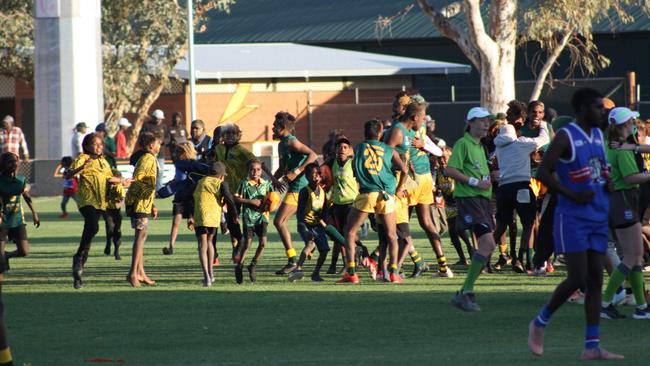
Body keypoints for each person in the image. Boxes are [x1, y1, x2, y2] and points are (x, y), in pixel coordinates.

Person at [527, 88, 624, 360]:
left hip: (597, 215)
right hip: (571, 216)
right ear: (582, 108)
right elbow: (544, 171)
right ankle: (539, 322)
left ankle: (591, 345)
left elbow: (596, 169)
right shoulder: (565, 135)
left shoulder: (597, 134)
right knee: (577, 278)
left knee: (595, 280)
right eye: (598, 107)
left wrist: (607, 182)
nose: (602, 112)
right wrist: (571, 193)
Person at [337, 119, 407, 283]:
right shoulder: (389, 149)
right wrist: (399, 189)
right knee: (392, 236)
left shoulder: (359, 147)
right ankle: (394, 273)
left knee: (350, 232)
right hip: (386, 195)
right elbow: (404, 169)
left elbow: (350, 163)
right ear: (381, 132)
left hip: (368, 194)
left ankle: (352, 273)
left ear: (365, 132)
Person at [600, 107, 650, 320]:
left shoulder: (612, 144)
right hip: (623, 202)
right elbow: (631, 178)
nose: (634, 124)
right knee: (632, 256)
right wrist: (648, 174)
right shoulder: (621, 149)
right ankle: (606, 302)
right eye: (631, 121)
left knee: (635, 257)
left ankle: (641, 306)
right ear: (623, 125)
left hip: (617, 203)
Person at [446, 107, 496, 312]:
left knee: (489, 246)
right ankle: (465, 292)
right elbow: (449, 169)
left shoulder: (480, 146)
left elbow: (477, 172)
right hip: (470, 200)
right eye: (482, 121)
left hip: (482, 201)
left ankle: (465, 291)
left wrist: (491, 178)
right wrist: (476, 182)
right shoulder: (463, 143)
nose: (486, 124)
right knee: (487, 244)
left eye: (488, 121)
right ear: (470, 123)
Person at [493, 100, 549, 273]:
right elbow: (544, 139)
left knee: (502, 225)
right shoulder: (523, 142)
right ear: (520, 120)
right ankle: (524, 259)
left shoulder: (498, 144)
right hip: (522, 187)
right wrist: (544, 125)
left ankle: (484, 260)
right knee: (529, 224)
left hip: (503, 188)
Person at [66, 133, 129, 289]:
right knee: (93, 226)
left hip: (100, 202)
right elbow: (67, 174)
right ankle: (79, 257)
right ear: (87, 146)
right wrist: (81, 167)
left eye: (101, 144)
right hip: (86, 200)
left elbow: (109, 178)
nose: (99, 147)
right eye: (95, 144)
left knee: (90, 233)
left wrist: (123, 181)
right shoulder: (82, 158)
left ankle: (79, 267)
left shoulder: (104, 162)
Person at [406, 96, 451, 277]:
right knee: (426, 223)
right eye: (423, 114)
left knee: (400, 225)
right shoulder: (416, 128)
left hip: (412, 181)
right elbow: (438, 151)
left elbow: (439, 151)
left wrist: (422, 144)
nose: (425, 118)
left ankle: (398, 265)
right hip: (424, 179)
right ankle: (443, 266)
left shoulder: (407, 130)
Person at [271, 112, 318, 275]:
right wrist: (271, 182)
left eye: (275, 126)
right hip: (294, 187)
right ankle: (313, 243)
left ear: (283, 128)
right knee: (305, 223)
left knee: (279, 221)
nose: (272, 128)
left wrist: (297, 171)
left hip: (300, 187)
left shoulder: (291, 141)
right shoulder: (280, 144)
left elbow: (312, 155)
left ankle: (292, 260)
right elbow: (282, 168)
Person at [125, 132, 161, 288]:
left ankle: (140, 272)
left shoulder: (146, 158)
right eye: (158, 143)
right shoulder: (148, 158)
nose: (160, 146)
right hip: (139, 202)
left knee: (142, 236)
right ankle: (133, 273)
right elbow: (140, 177)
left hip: (143, 202)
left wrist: (152, 204)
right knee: (140, 237)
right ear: (152, 145)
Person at [160, 142, 209, 255]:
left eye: (178, 151)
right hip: (189, 196)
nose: (176, 154)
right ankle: (199, 247)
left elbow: (180, 179)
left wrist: (167, 189)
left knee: (177, 222)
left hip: (185, 196)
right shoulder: (197, 165)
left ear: (185, 152)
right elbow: (179, 178)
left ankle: (172, 247)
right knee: (194, 224)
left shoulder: (182, 164)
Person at [188, 162, 229, 287]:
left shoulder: (200, 183)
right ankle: (211, 273)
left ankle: (206, 277)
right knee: (210, 243)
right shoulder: (220, 184)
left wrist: (190, 216)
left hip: (201, 216)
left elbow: (190, 199)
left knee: (202, 245)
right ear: (221, 175)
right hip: (214, 217)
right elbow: (228, 198)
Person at [288, 163, 331, 282]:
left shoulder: (323, 192)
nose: (316, 176)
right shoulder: (304, 191)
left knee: (325, 250)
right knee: (310, 244)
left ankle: (315, 274)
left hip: (317, 226)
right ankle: (298, 268)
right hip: (305, 224)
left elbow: (325, 211)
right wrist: (304, 229)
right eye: (313, 174)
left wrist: (326, 222)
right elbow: (300, 212)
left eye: (318, 174)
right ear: (307, 177)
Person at [234, 159, 274, 283]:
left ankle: (253, 265)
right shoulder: (244, 184)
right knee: (247, 244)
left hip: (262, 217)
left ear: (261, 171)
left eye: (258, 169)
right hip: (249, 217)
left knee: (263, 243)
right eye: (252, 169)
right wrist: (250, 201)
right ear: (248, 170)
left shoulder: (266, 184)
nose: (255, 172)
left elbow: (273, 198)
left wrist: (271, 205)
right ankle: (239, 266)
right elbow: (236, 198)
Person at [0, 152, 39, 270]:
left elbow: (26, 195)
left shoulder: (21, 179)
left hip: (17, 219)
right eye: (10, 162)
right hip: (3, 221)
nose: (14, 164)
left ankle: (7, 255)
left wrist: (34, 213)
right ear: (3, 164)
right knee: (0, 258)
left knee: (24, 251)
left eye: (15, 161)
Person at [140, 109, 168, 191]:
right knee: (148, 172)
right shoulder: (147, 126)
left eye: (160, 119)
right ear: (153, 117)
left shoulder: (164, 126)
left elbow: (168, 137)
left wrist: (163, 142)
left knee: (160, 171)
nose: (158, 120)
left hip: (161, 153)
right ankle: (148, 189)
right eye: (157, 118)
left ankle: (159, 190)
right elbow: (142, 137)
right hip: (148, 153)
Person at [104, 169, 125, 261]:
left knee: (117, 230)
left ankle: (116, 250)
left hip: (116, 211)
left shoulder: (119, 187)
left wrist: (119, 204)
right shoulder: (105, 186)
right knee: (110, 228)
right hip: (107, 210)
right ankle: (108, 242)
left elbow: (123, 199)